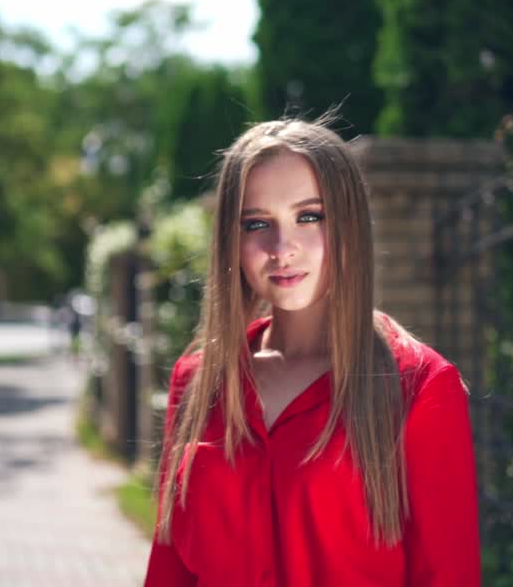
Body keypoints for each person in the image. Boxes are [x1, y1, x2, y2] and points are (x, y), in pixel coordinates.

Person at [144, 117, 480, 586]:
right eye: (256, 223)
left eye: (309, 216)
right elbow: (169, 569)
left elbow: (448, 577)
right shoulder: (199, 379)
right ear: (231, 242)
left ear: (349, 226)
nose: (283, 248)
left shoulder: (419, 387)